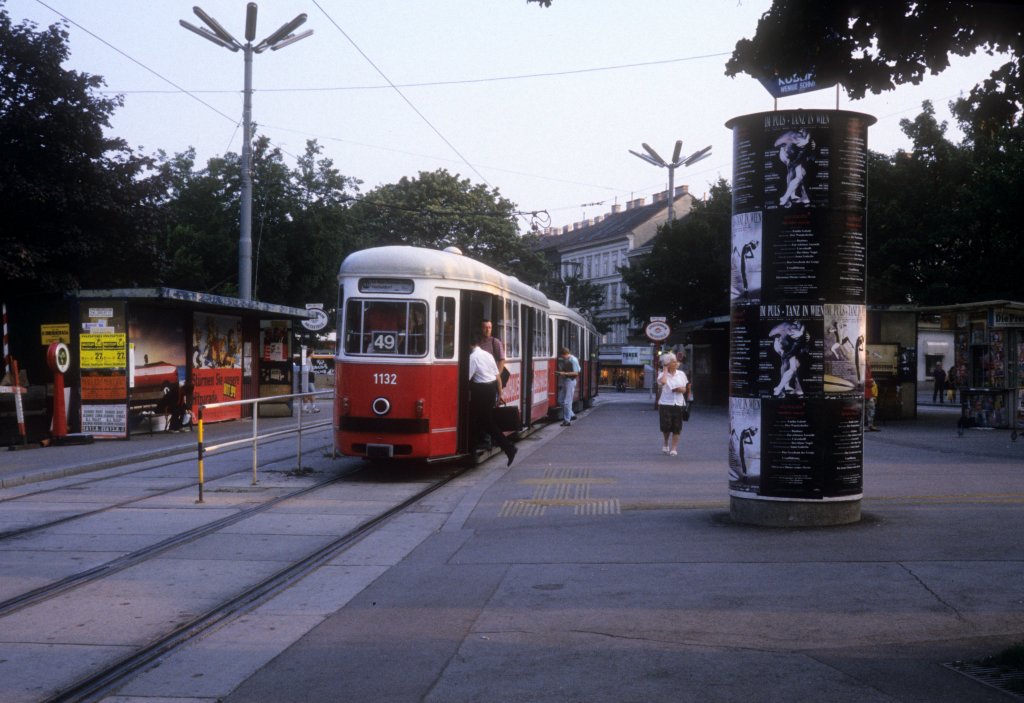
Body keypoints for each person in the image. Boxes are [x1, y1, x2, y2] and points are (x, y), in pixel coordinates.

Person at [468, 340, 517, 466]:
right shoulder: (488, 355)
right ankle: (507, 448)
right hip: (491, 390)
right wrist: (499, 394)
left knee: (482, 421)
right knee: (482, 421)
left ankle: (509, 448)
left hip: (481, 392)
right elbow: (497, 376)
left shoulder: (473, 357)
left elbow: (467, 377)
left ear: (469, 345)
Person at [656, 355, 690, 457]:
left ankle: (674, 448)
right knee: (666, 426)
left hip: (678, 403)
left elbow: (685, 388)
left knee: (677, 427)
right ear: (668, 364)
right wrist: (665, 370)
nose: (676, 363)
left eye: (676, 362)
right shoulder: (662, 374)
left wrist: (680, 389)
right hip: (666, 403)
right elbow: (663, 382)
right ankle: (666, 443)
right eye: (673, 362)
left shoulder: (681, 374)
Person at [555, 346, 580, 426]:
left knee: (567, 402)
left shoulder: (573, 360)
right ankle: (571, 415)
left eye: (563, 356)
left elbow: (576, 373)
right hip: (566, 381)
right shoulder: (567, 359)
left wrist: (564, 373)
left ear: (565, 354)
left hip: (570, 381)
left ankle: (567, 421)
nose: (562, 357)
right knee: (560, 400)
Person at [864, 364, 879, 432]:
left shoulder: (867, 365)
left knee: (871, 409)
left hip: (868, 393)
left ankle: (870, 425)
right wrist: (871, 381)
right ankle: (868, 425)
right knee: (868, 409)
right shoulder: (863, 365)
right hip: (864, 392)